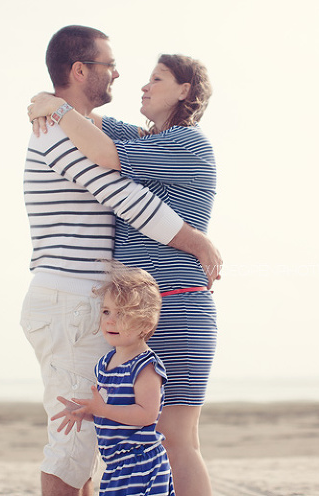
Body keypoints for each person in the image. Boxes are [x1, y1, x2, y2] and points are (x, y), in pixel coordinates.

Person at [22, 25, 222, 496]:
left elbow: (114, 169)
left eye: (155, 78)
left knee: (166, 438)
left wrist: (196, 242)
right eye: (110, 65)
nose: (131, 79)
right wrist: (50, 103)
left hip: (170, 305)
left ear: (184, 90)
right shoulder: (72, 131)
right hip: (117, 309)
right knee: (94, 439)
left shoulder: (186, 145)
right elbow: (115, 177)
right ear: (78, 70)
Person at [52, 262, 174, 496]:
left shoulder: (145, 366)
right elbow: (108, 410)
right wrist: (86, 411)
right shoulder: (104, 364)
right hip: (116, 466)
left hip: (141, 464)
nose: (110, 320)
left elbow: (146, 414)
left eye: (123, 314)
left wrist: (103, 409)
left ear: (146, 323)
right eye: (106, 311)